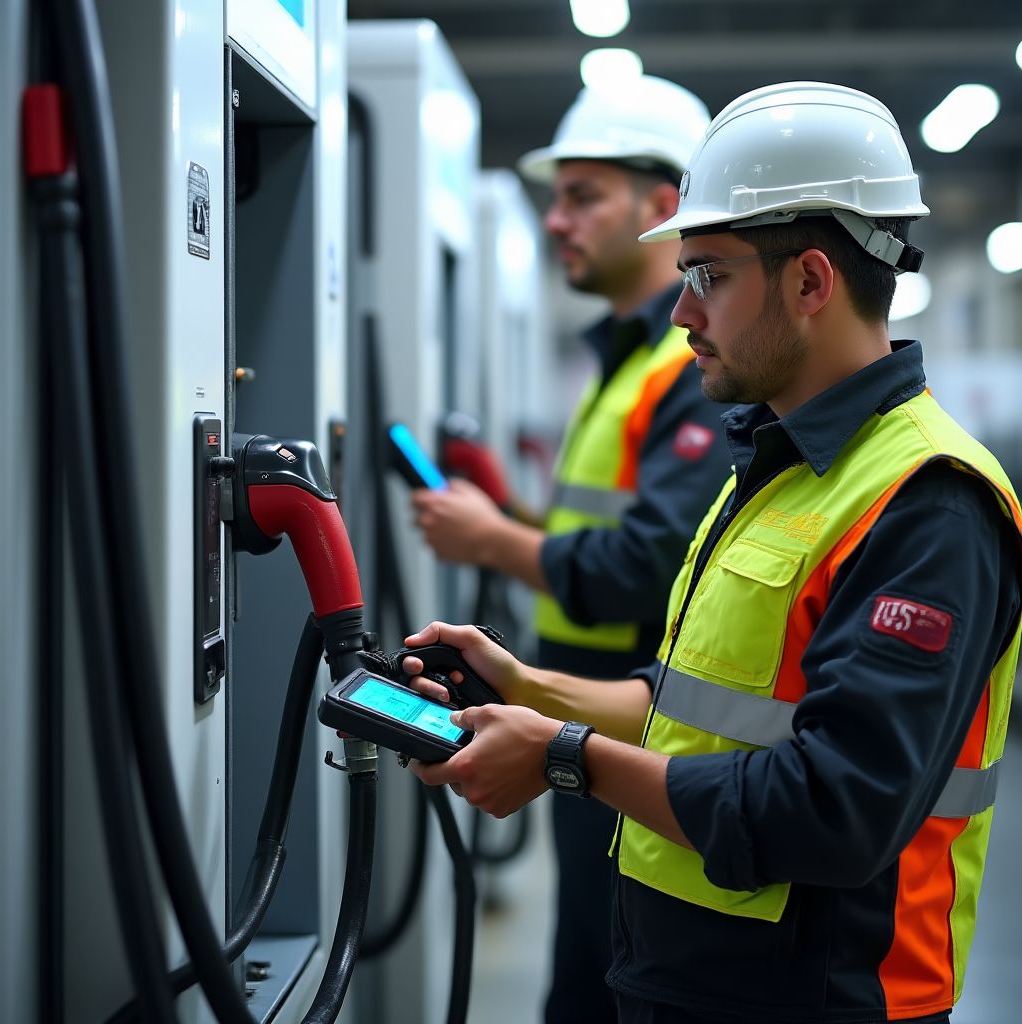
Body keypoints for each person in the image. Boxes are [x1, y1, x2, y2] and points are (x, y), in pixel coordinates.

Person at [406, 81, 1022, 1024]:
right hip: (693, 979)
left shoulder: (929, 502)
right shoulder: (778, 464)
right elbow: (683, 704)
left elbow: (834, 808)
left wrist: (566, 758)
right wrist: (524, 687)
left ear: (812, 282)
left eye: (710, 277)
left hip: (815, 996)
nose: (684, 314)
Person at [410, 76, 733, 1023]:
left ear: (663, 207)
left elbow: (645, 563)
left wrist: (495, 539)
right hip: (583, 696)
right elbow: (604, 529)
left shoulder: (689, 370)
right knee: (587, 959)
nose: (557, 221)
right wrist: (510, 511)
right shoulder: (633, 361)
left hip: (637, 708)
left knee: (608, 976)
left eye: (582, 195)